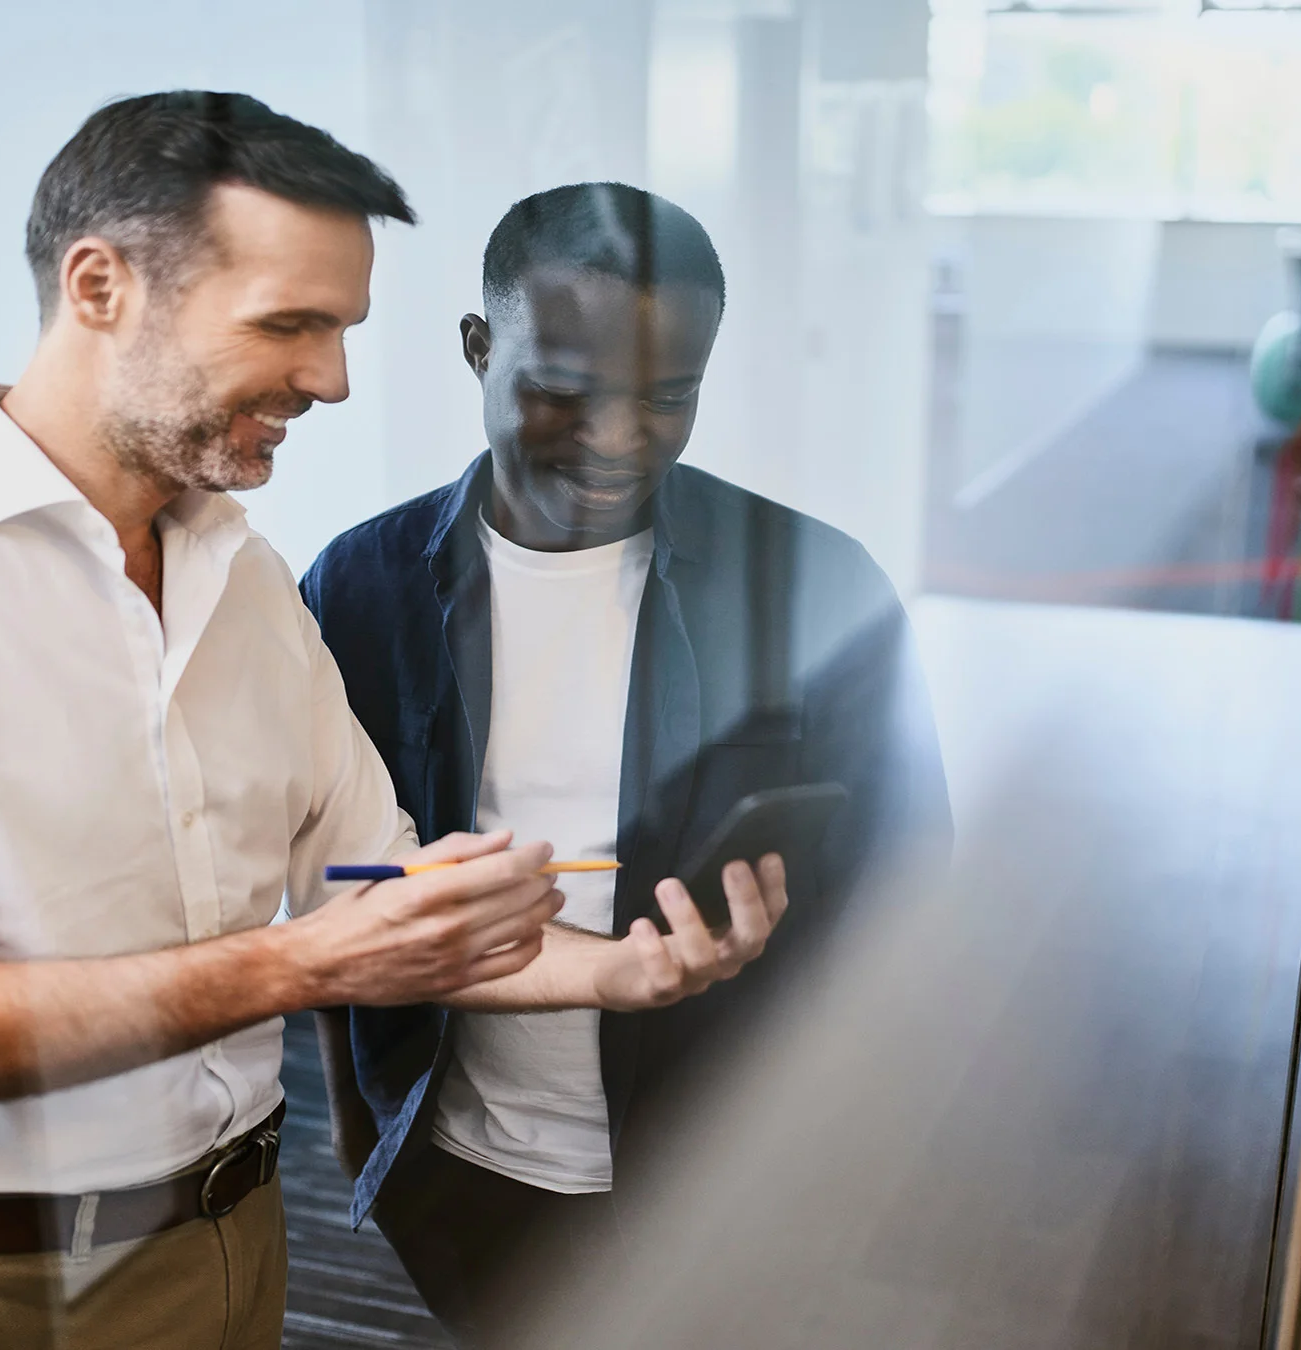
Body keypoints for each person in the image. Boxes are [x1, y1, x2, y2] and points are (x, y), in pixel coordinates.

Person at [0, 94, 722, 1350]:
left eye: (344, 330)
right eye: (291, 324)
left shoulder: (252, 584)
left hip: (228, 1239)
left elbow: (379, 897)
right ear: (100, 286)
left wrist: (626, 975)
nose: (330, 378)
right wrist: (298, 968)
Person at [299, 182, 953, 1348]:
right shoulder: (359, 586)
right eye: (564, 390)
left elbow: (913, 898)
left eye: (668, 398)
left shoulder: (818, 586)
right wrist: (359, 1131)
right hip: (463, 1169)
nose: (617, 439)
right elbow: (340, 884)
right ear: (477, 348)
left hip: (733, 1186)